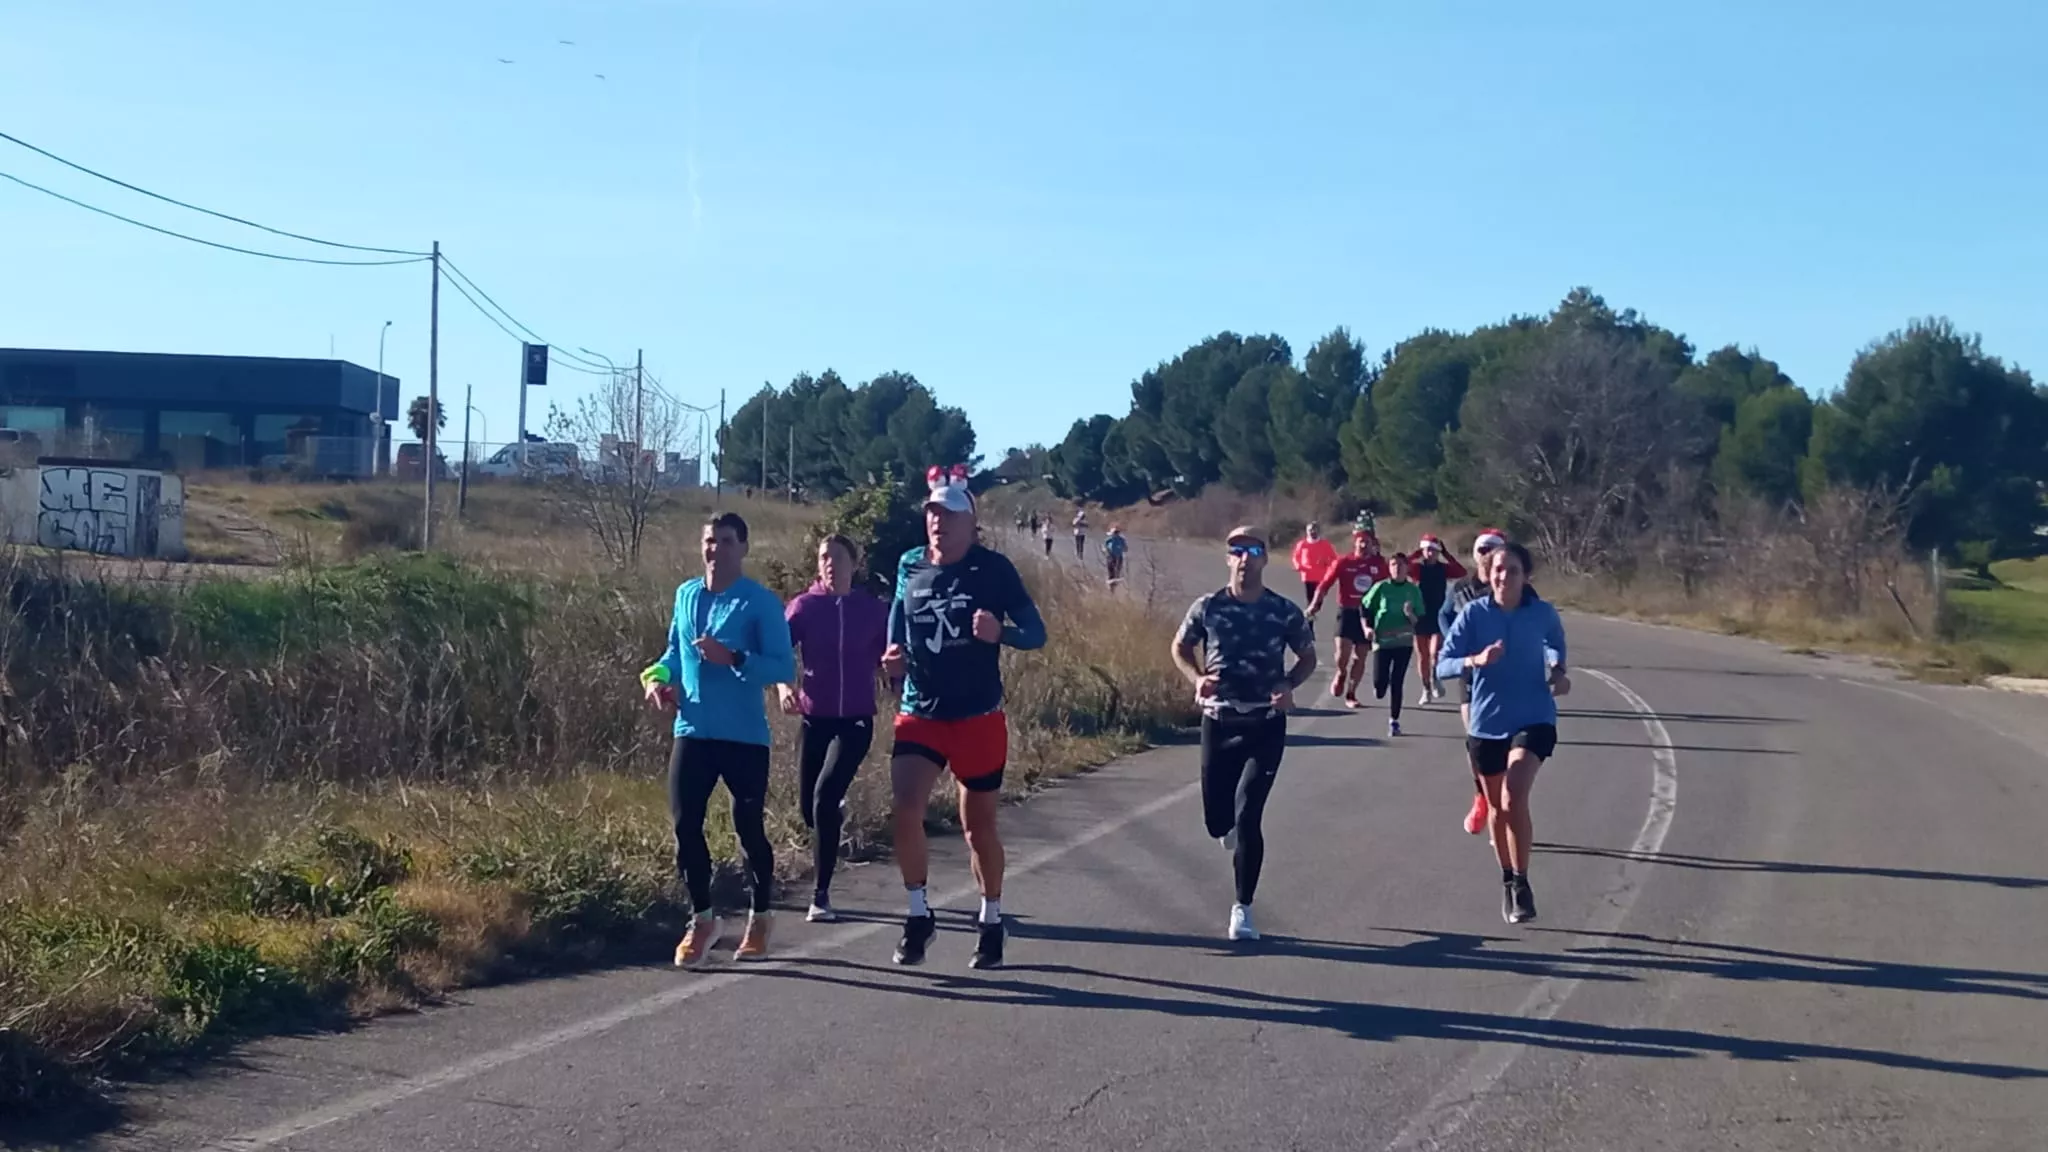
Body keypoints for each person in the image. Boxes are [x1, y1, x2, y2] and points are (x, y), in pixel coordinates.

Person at [884, 464, 1047, 969]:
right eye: (932, 513)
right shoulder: (910, 564)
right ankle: (918, 915)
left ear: (971, 524)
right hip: (921, 711)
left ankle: (991, 919)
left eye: (949, 515)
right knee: (905, 808)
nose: (938, 522)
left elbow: (1036, 632)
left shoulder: (994, 569)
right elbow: (898, 621)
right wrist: (892, 656)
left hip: (977, 715)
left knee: (977, 828)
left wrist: (1002, 633)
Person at [641, 512, 797, 969]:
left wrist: (734, 657)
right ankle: (703, 919)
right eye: (710, 541)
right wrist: (657, 679)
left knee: (748, 828)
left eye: (727, 541)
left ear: (743, 548)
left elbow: (781, 666)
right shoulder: (686, 594)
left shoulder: (759, 602)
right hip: (693, 729)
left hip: (743, 735)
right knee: (685, 825)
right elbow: (674, 652)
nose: (716, 549)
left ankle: (760, 916)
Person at [1170, 525, 1317, 941]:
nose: (1244, 559)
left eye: (1253, 551)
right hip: (1219, 721)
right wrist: (1197, 678)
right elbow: (1180, 647)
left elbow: (1307, 656)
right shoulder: (1209, 607)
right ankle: (1227, 828)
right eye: (1236, 551)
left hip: (1264, 724)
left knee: (1249, 814)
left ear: (1265, 559)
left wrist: (1289, 684)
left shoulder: (1283, 611)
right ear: (1227, 558)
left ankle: (1243, 909)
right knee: (1217, 821)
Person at [1436, 541, 1570, 925]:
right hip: (1487, 723)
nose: (1503, 576)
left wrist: (1558, 671)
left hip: (1534, 717)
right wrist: (1474, 660)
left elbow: (1555, 645)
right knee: (1496, 808)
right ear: (1487, 573)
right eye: (1497, 569)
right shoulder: (1474, 614)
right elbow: (1443, 664)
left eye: (1512, 570)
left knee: (1513, 795)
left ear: (1525, 576)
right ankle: (1508, 879)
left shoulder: (1541, 613)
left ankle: (1523, 882)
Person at [778, 534, 892, 923]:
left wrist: (893, 666)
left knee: (825, 797)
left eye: (838, 558)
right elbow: (778, 652)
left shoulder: (872, 610)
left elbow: (890, 655)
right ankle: (831, 818)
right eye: (824, 557)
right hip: (815, 718)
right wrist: (784, 687)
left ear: (854, 564)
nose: (830, 564)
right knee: (809, 810)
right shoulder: (804, 607)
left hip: (856, 720)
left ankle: (821, 895)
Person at [1441, 529, 1507, 837]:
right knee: (1475, 740)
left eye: (1494, 549)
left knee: (1509, 745)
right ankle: (1482, 796)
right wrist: (1455, 641)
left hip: (1509, 673)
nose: (1487, 555)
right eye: (1482, 549)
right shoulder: (1461, 588)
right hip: (1473, 671)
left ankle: (1505, 806)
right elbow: (1443, 615)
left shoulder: (1512, 586)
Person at [1306, 530, 1390, 708]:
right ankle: (1341, 672)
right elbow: (1324, 585)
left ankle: (1351, 694)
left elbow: (1388, 588)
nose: (1364, 545)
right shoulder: (1343, 562)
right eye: (1361, 541)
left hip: (1368, 615)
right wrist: (1315, 604)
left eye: (1367, 542)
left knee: (1360, 657)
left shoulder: (1379, 564)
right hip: (1347, 611)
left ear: (1373, 544)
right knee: (1342, 654)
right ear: (1355, 543)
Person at [1360, 551, 1425, 737]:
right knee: (1380, 684)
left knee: (1397, 681)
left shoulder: (1413, 590)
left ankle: (1394, 721)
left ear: (1407, 568)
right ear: (1389, 568)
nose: (1397, 568)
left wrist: (1409, 614)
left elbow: (1419, 620)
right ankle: (1379, 687)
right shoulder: (1381, 587)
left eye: (1401, 565)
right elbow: (1364, 608)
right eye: (1393, 565)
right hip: (1382, 641)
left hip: (1403, 642)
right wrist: (1366, 628)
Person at [1408, 534, 1468, 706]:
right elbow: (1404, 565)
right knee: (1422, 656)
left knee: (1434, 653)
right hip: (1420, 615)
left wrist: (1447, 555)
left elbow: (1461, 571)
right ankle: (1426, 688)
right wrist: (1416, 553)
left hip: (1437, 614)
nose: (1430, 553)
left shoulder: (1443, 569)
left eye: (1433, 550)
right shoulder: (1417, 569)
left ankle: (1435, 679)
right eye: (1427, 550)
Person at [1290, 522, 1338, 605]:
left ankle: (1314, 607)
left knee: (1319, 598)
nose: (1312, 532)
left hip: (1321, 576)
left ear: (1318, 531)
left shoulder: (1325, 544)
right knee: (1310, 597)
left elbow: (1334, 558)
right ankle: (1310, 610)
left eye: (1314, 530)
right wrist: (1298, 566)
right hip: (1307, 575)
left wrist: (1328, 564)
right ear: (1307, 531)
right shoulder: (1302, 544)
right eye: (1310, 530)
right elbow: (1295, 557)